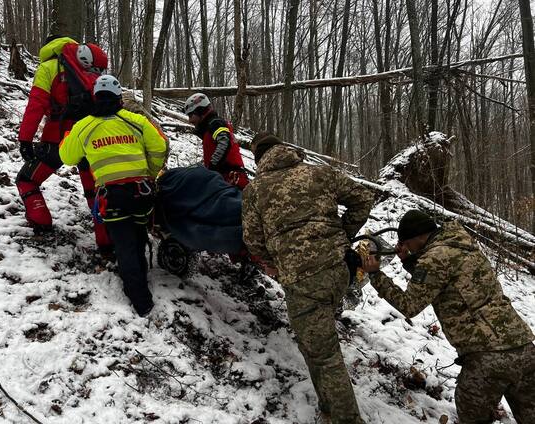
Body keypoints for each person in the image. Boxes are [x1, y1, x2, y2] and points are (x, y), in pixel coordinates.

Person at [241, 132, 373, 424]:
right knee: (315, 344)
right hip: (339, 270)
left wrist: (275, 262)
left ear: (259, 158)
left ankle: (346, 419)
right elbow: (363, 198)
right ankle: (328, 410)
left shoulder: (256, 190)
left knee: (325, 355)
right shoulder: (319, 173)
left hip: (302, 280)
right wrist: (342, 235)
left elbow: (251, 239)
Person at [362, 210, 535, 424]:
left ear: (417, 237)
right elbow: (443, 278)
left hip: (488, 356)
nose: (405, 247)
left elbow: (410, 305)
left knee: (472, 416)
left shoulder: (433, 258)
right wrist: (409, 261)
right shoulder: (461, 243)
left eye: (406, 242)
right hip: (523, 346)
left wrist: (376, 275)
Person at [59, 75, 168, 316]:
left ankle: (141, 301)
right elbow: (160, 147)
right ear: (119, 97)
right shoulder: (136, 121)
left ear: (95, 97)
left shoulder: (84, 126)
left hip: (113, 197)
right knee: (138, 237)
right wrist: (149, 174)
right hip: (142, 193)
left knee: (124, 245)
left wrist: (69, 137)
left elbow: (67, 157)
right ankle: (141, 279)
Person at [15, 36, 113, 255]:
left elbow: (36, 104)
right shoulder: (87, 65)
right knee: (94, 191)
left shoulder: (49, 67)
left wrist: (25, 139)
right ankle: (107, 242)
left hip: (58, 137)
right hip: (91, 135)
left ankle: (42, 222)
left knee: (27, 180)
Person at [182, 93, 248, 189]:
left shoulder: (216, 123)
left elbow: (224, 142)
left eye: (191, 115)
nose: (189, 120)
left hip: (231, 178)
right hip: (225, 178)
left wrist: (212, 167)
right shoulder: (210, 127)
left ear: (200, 111)